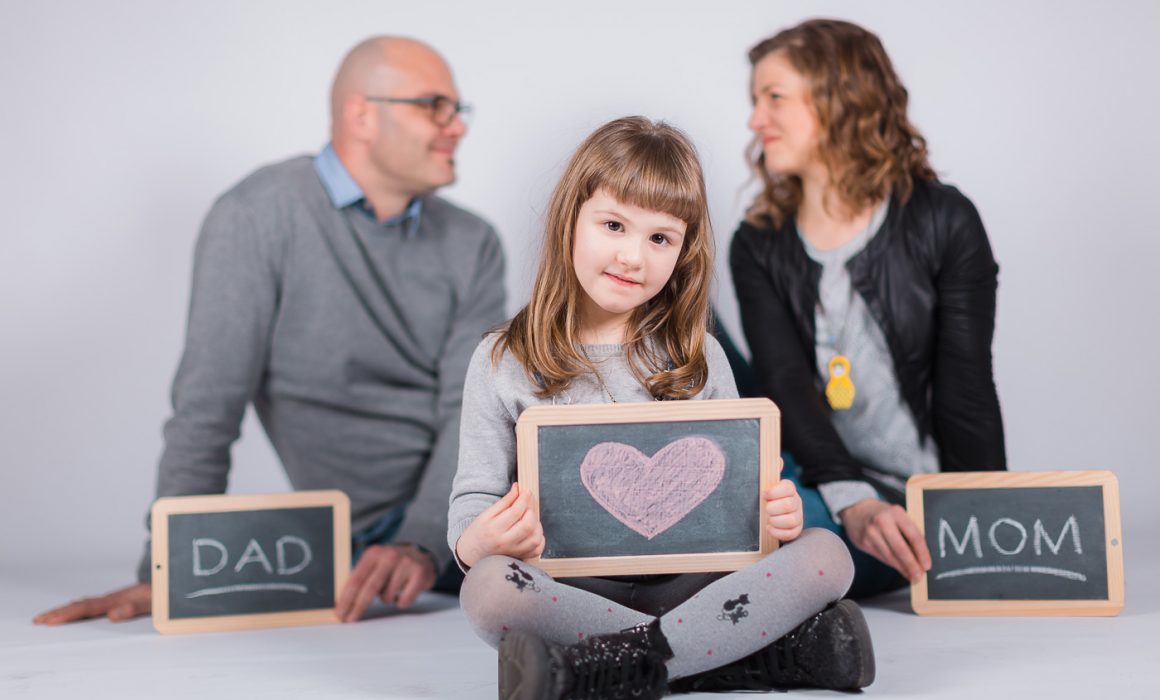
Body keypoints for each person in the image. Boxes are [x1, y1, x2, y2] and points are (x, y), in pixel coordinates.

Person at [34, 36, 506, 626]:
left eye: (457, 109)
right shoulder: (257, 216)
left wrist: (422, 541)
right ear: (362, 114)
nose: (455, 126)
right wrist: (168, 569)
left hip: (477, 510)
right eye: (434, 105)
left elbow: (471, 411)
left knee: (621, 560)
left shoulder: (473, 241)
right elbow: (208, 404)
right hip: (362, 538)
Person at [447, 117, 875, 699]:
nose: (632, 256)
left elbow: (742, 496)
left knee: (827, 555)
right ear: (571, 218)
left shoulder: (699, 356)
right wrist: (474, 543)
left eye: (659, 238)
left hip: (695, 583)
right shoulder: (501, 358)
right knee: (490, 590)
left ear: (683, 251)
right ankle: (748, 657)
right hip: (571, 588)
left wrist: (775, 516)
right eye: (614, 225)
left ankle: (598, 668)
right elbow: (473, 495)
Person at [731, 18, 1006, 600]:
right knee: (671, 293)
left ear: (839, 97)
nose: (756, 120)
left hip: (903, 494)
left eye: (773, 97)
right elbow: (782, 382)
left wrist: (983, 523)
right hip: (807, 473)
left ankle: (777, 570)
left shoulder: (944, 220)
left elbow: (967, 388)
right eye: (755, 100)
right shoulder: (757, 241)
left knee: (789, 538)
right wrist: (848, 498)